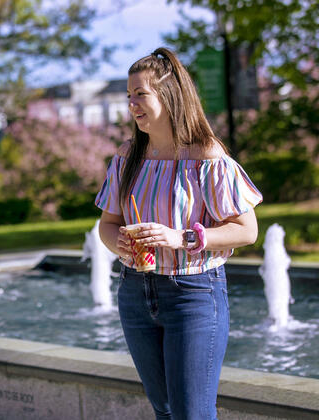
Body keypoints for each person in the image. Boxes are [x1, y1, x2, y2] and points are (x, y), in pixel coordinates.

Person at [96, 48, 263, 420]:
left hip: (194, 295)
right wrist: (117, 242)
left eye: (141, 94)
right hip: (135, 293)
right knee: (166, 412)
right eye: (129, 96)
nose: (132, 105)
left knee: (192, 415)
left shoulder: (206, 156)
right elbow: (107, 225)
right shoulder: (127, 157)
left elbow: (247, 230)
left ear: (169, 95)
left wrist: (182, 238)